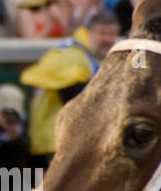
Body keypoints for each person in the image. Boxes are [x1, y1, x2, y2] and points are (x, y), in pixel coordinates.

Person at [20, 10, 119, 171]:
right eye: (102, 33)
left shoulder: (89, 55)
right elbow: (78, 100)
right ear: (88, 32)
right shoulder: (72, 56)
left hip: (63, 143)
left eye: (112, 34)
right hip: (56, 144)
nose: (108, 39)